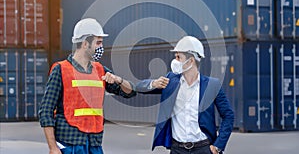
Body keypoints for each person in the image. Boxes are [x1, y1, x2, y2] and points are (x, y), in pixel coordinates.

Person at [39, 18, 136, 154]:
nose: (101, 47)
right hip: (70, 143)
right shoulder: (61, 70)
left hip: (94, 143)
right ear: (85, 44)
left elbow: (130, 92)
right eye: (98, 43)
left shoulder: (101, 70)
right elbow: (46, 111)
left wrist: (118, 80)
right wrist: (53, 147)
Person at [136, 36, 234, 154]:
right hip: (177, 149)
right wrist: (153, 83)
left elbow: (228, 115)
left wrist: (217, 146)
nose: (175, 61)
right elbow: (139, 87)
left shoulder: (212, 85)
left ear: (191, 61)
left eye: (178, 57)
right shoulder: (170, 81)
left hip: (203, 149)